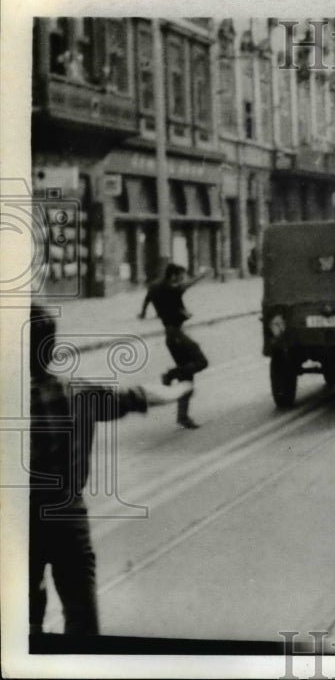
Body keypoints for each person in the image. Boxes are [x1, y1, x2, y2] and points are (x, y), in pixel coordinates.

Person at [29, 305, 192, 635]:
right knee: (81, 616)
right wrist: (178, 390)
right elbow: (135, 397)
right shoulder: (77, 392)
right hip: (66, 519)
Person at [139, 263, 209, 429]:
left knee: (187, 376)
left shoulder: (155, 287)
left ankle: (183, 417)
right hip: (177, 335)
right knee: (201, 361)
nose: (182, 279)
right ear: (174, 276)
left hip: (170, 336)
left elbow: (148, 298)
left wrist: (143, 313)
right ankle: (170, 375)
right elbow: (186, 285)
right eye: (181, 275)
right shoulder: (172, 289)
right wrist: (202, 275)